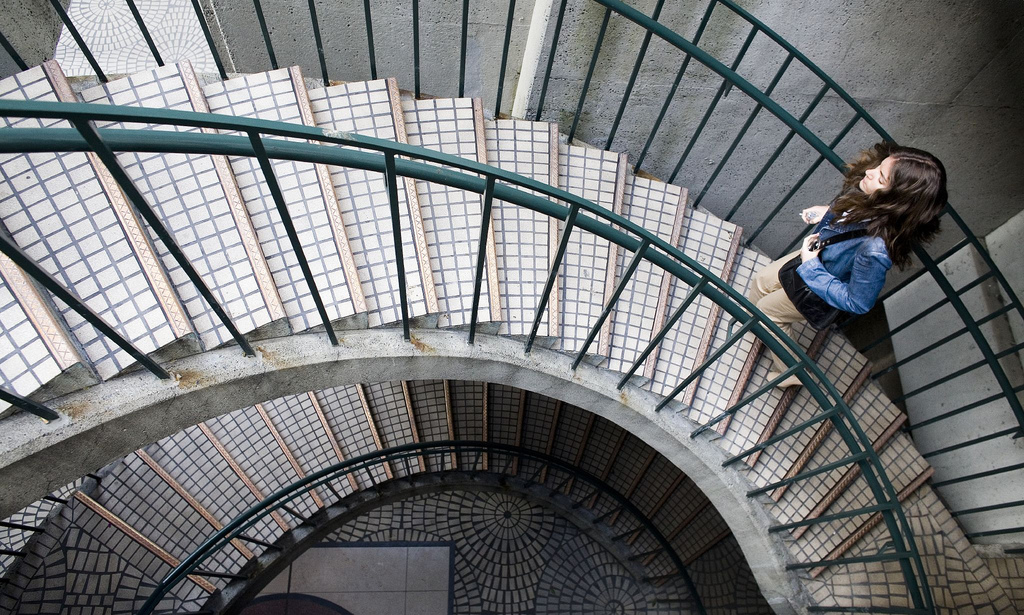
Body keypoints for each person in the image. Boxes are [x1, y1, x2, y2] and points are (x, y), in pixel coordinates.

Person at [748, 142, 947, 387]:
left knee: (770, 311)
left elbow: (858, 302)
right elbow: (851, 223)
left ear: (895, 200)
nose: (870, 172)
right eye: (880, 167)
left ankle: (792, 372)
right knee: (760, 281)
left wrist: (811, 266)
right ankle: (757, 327)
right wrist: (829, 213)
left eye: (881, 178)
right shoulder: (871, 199)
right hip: (814, 257)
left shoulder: (875, 250)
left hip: (818, 280)